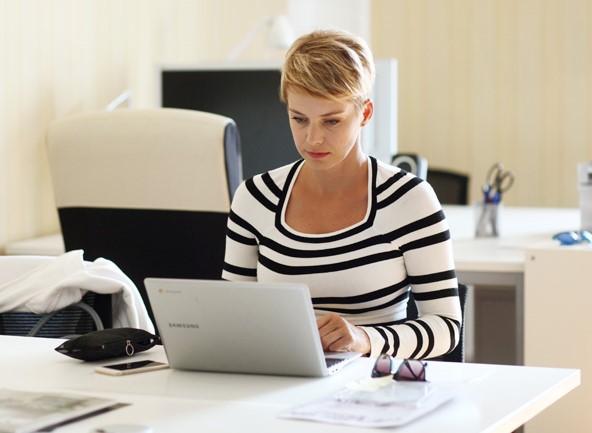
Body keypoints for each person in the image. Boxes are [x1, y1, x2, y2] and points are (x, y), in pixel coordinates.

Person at [222, 28, 461, 359]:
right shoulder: (254, 198)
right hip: (279, 377)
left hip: (373, 381)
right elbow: (231, 316)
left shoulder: (410, 199)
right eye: (299, 119)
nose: (313, 139)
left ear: (365, 113)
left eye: (331, 121)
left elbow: (446, 326)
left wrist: (364, 339)